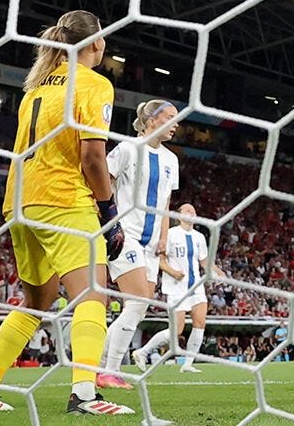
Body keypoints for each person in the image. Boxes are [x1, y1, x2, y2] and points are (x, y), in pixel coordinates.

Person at [0, 10, 134, 415]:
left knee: (37, 301)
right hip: (62, 198)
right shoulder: (94, 84)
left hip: (20, 201)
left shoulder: (36, 88)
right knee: (94, 293)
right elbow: (93, 157)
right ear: (98, 43)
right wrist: (109, 211)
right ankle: (85, 395)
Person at [98, 100, 180, 388]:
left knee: (138, 307)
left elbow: (167, 203)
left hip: (151, 243)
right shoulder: (127, 149)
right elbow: (103, 182)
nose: (176, 124)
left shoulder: (171, 160)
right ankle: (108, 370)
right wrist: (110, 224)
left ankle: (101, 366)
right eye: (170, 117)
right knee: (137, 302)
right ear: (152, 119)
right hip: (125, 235)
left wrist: (164, 238)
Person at [131, 204, 225, 373]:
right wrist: (173, 272)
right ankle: (142, 352)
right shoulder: (171, 235)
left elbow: (204, 262)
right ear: (179, 216)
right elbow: (159, 260)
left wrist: (218, 272)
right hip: (176, 289)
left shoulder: (199, 237)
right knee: (177, 330)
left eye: (194, 211)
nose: (192, 212)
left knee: (200, 323)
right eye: (188, 210)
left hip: (196, 288)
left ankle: (188, 364)